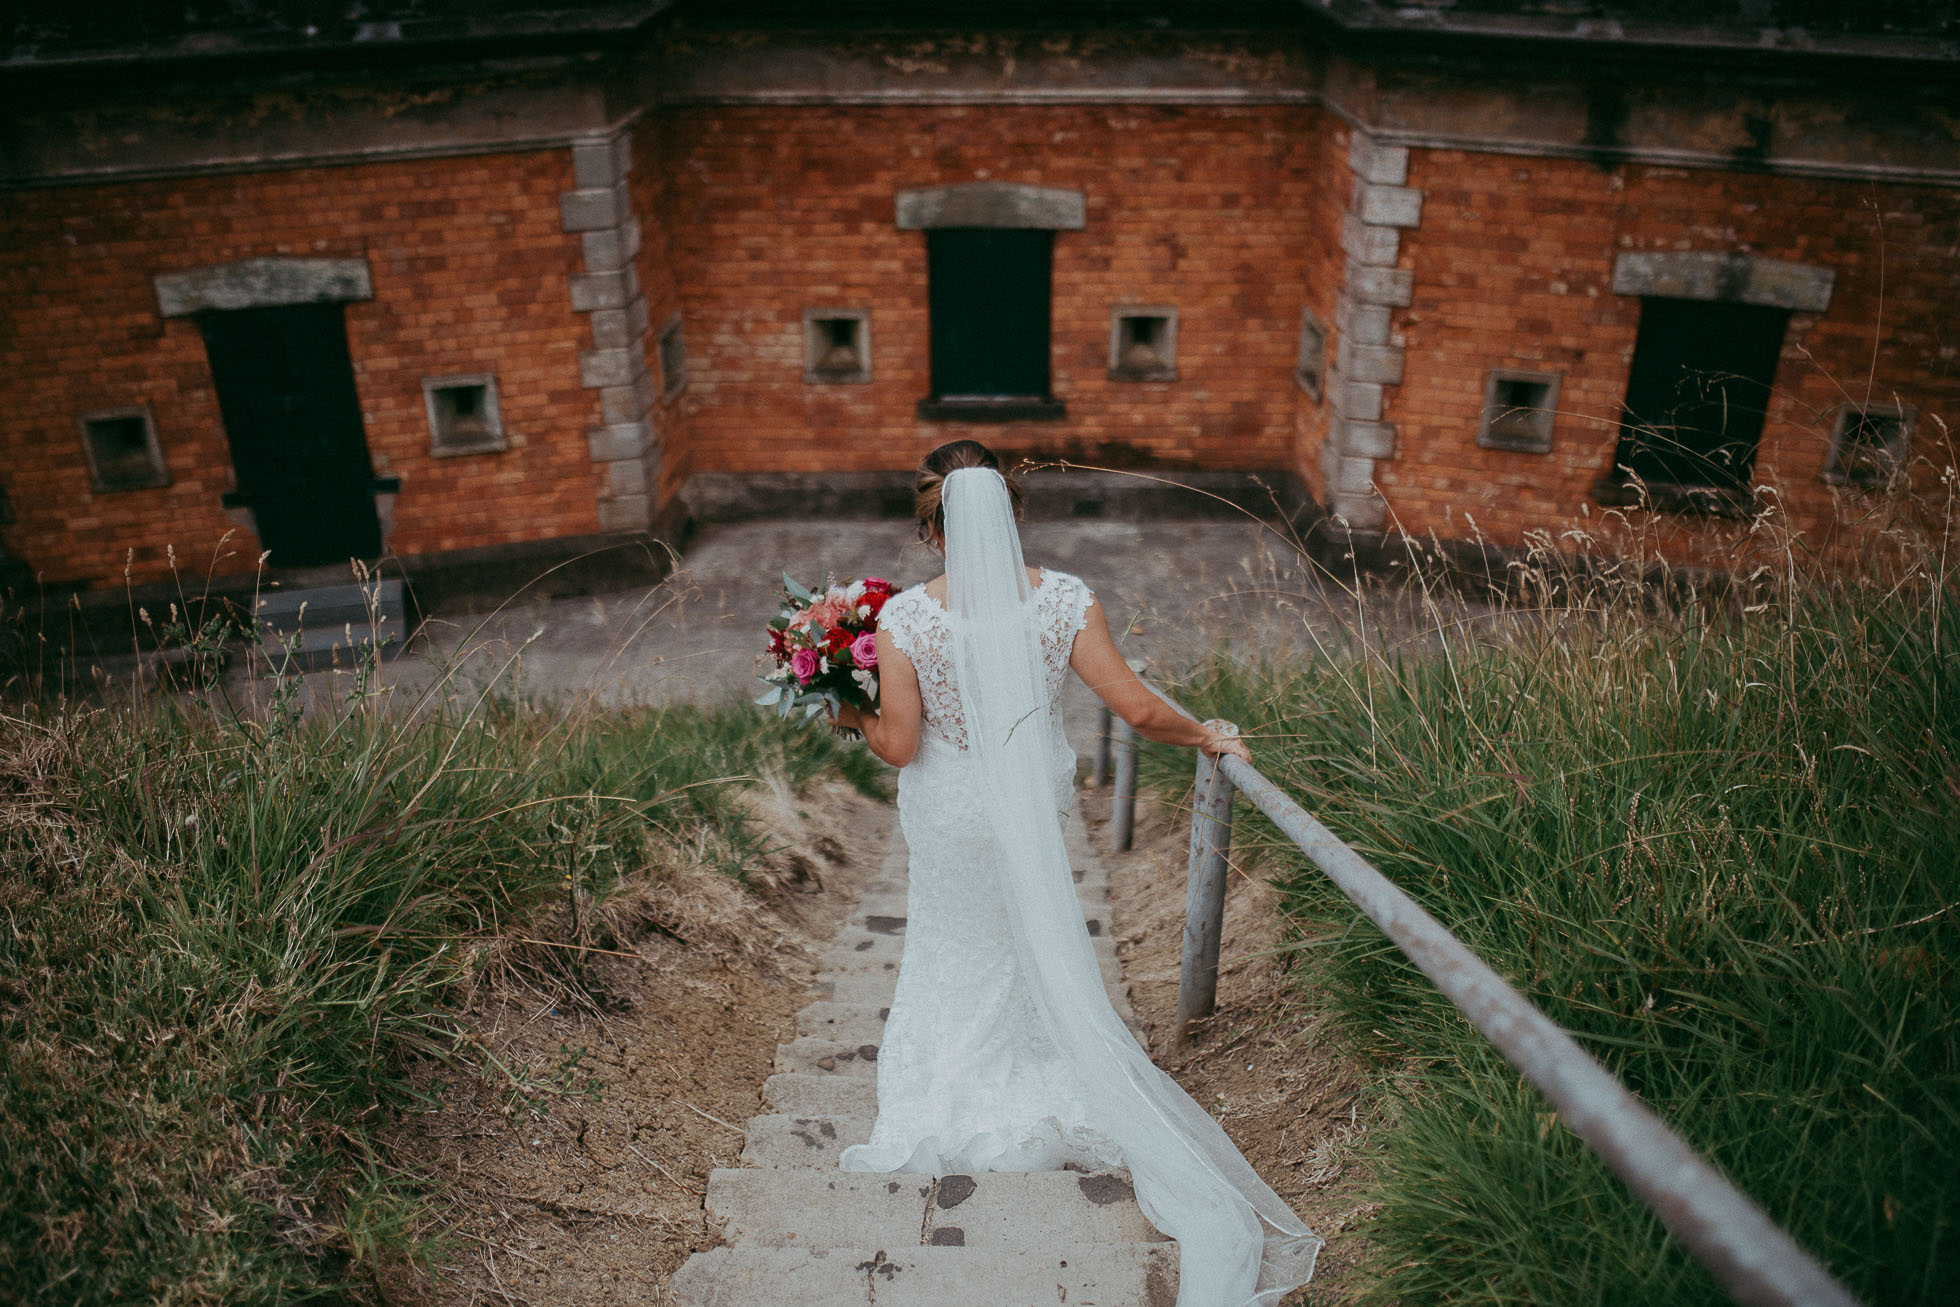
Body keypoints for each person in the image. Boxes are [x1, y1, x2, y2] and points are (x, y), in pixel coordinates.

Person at [830, 440, 1320, 1305]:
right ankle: (1040, 1055)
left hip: (950, 816)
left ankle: (954, 1079)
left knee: (955, 939)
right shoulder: (1063, 599)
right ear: (1014, 517)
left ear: (933, 529)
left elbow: (901, 745)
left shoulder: (905, 619)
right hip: (1031, 806)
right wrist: (1207, 733)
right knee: (1028, 939)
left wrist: (847, 708)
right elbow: (1132, 706)